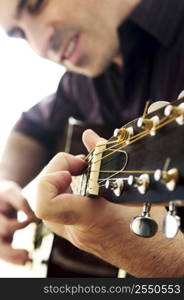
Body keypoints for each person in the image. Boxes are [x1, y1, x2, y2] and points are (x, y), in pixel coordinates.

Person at [0, 0, 184, 277]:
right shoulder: (81, 83)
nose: (39, 45)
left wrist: (167, 263)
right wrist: (4, 185)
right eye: (20, 34)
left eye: (36, 5)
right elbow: (33, 127)